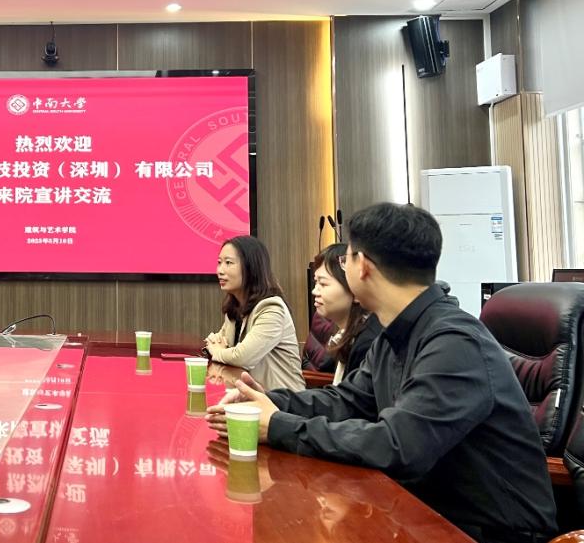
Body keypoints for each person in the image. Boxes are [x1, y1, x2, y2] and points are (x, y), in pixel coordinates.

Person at [207, 203, 556, 543]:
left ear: (363, 266)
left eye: (346, 258)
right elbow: (346, 401)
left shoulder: (454, 342)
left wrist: (278, 426)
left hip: (485, 531)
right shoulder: (393, 334)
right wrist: (269, 402)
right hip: (420, 513)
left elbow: (397, 445)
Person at [203, 236, 304, 392]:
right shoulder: (235, 307)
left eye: (228, 263)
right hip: (249, 394)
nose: (220, 271)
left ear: (251, 267)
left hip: (283, 400)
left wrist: (217, 352)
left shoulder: (272, 308)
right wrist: (217, 348)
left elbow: (242, 357)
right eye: (219, 262)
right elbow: (217, 342)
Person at [310, 243, 382, 384]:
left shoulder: (368, 343)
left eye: (323, 284)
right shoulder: (346, 333)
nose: (314, 291)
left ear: (354, 287)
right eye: (315, 282)